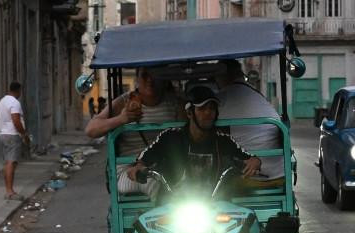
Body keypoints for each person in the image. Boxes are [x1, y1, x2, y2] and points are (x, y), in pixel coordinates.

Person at [127, 86, 261, 194]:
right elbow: (145, 158)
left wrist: (255, 161)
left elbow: (248, 158)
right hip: (175, 203)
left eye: (212, 108)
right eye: (202, 109)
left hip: (213, 202)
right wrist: (138, 168)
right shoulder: (170, 137)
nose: (208, 113)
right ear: (189, 113)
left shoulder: (222, 140)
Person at [85, 67, 182, 194]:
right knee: (154, 183)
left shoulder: (175, 103)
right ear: (137, 78)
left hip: (166, 167)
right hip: (130, 172)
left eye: (155, 75)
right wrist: (121, 119)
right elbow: (91, 130)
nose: (150, 81)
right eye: (145, 75)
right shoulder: (124, 102)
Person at [215, 59, 284, 181]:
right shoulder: (258, 97)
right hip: (278, 171)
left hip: (247, 173)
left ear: (221, 77)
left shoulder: (221, 98)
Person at [0, 82, 29, 200]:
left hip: (3, 133)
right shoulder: (15, 103)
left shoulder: (2, 101)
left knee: (7, 162)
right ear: (18, 90)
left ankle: (8, 190)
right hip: (12, 135)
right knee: (11, 162)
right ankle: (10, 191)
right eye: (20, 91)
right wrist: (24, 134)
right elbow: (16, 120)